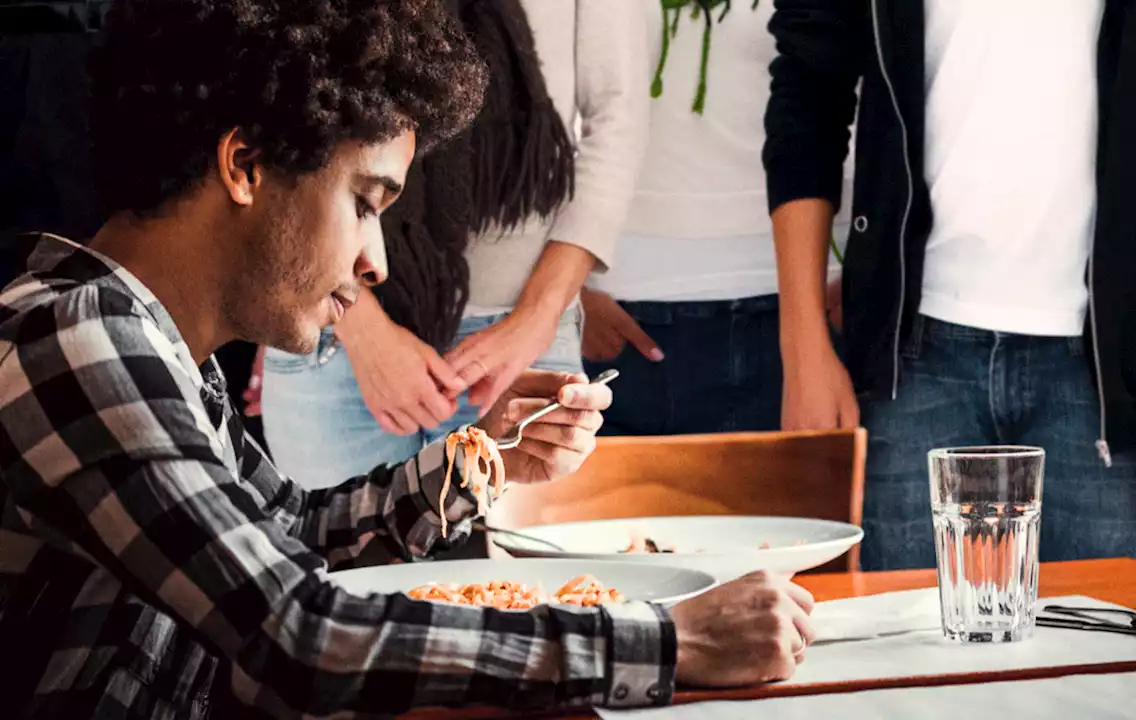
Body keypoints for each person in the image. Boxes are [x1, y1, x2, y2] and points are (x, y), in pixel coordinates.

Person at [0, 1, 815, 716]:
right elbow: (300, 631)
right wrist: (664, 640)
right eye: (364, 202)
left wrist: (481, 461)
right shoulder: (76, 342)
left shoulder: (146, 340)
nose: (376, 262)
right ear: (245, 166)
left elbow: (291, 534)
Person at [764, 0, 1136, 570]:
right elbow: (807, 95)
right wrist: (801, 346)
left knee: (1117, 654)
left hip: (1117, 375)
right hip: (910, 360)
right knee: (907, 651)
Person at [260, 0, 649, 488]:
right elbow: (274, 115)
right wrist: (362, 329)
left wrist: (536, 319)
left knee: (523, 566)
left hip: (523, 349)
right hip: (335, 335)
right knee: (342, 559)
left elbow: (617, 118)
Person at [581, 0, 850, 435]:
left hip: (816, 314)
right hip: (623, 324)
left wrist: (875, 280)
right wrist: (568, 297)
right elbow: (531, 102)